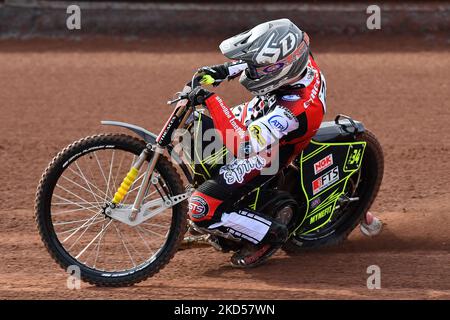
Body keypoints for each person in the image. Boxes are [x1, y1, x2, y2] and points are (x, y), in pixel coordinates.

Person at [186, 18, 327, 267]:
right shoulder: (298, 54)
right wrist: (225, 71)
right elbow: (263, 61)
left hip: (268, 151)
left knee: (200, 207)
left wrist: (212, 101)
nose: (252, 72)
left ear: (283, 68)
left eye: (258, 69)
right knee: (193, 134)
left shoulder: (294, 110)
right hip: (262, 115)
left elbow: (242, 144)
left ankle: (269, 236)